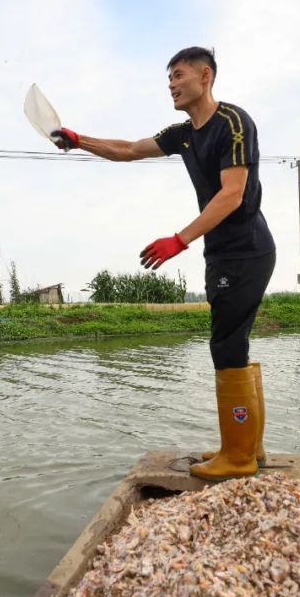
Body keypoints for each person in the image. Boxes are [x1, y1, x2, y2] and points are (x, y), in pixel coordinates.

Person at [51, 46, 276, 481]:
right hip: (225, 251)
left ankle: (239, 456)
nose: (171, 84)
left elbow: (232, 193)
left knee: (227, 347)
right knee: (234, 345)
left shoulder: (232, 122)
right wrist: (80, 141)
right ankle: (248, 447)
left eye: (178, 75)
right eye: (168, 78)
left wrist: (180, 239)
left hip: (246, 248)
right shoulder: (185, 133)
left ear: (204, 76)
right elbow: (130, 149)